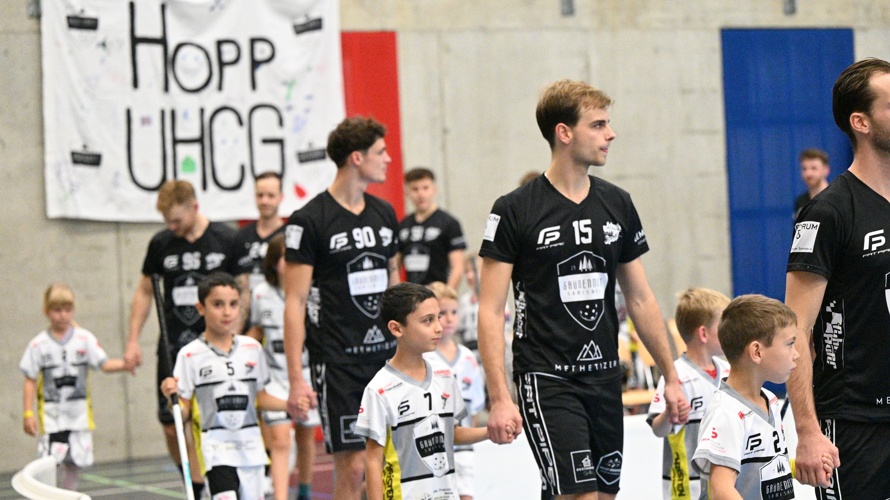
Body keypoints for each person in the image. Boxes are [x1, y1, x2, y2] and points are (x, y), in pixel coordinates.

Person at [478, 79, 687, 498]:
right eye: (598, 125)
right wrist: (500, 397)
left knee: (601, 495)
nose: (611, 134)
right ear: (564, 132)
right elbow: (490, 309)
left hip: (605, 377)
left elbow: (641, 297)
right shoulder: (514, 209)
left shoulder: (618, 203)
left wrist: (671, 376)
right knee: (581, 495)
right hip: (546, 377)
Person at [785, 58, 890, 496]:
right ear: (861, 122)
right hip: (853, 422)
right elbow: (795, 329)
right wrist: (807, 430)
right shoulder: (828, 213)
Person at [282, 116, 400, 500]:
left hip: (387, 358)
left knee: (390, 463)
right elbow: (295, 301)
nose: (388, 159)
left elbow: (394, 281)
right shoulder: (309, 220)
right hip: (337, 362)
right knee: (352, 467)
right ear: (356, 158)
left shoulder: (384, 214)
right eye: (381, 152)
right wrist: (296, 379)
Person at [124, 179, 236, 498]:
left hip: (215, 347)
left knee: (212, 418)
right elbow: (145, 291)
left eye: (176, 220)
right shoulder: (162, 244)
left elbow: (240, 291)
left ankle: (214, 484)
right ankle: (194, 483)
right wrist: (133, 339)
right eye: (167, 221)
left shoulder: (225, 239)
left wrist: (237, 337)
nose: (171, 227)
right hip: (174, 345)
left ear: (194, 207)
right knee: (172, 422)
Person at [354, 282, 489, 500]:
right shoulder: (379, 389)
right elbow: (373, 460)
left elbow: (451, 433)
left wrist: (489, 432)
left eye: (438, 317)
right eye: (428, 320)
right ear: (397, 328)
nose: (439, 327)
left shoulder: (445, 376)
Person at [160, 272, 286, 500]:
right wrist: (172, 398)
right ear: (201, 308)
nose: (227, 312)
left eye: (233, 304)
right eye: (218, 304)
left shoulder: (252, 349)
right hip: (216, 452)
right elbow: (184, 412)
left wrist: (291, 405)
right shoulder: (189, 355)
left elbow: (260, 398)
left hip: (251, 451)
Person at [691, 295, 820, 499]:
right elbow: (720, 489)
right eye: (790, 344)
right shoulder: (727, 413)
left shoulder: (770, 400)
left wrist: (796, 469)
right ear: (757, 352)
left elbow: (761, 467)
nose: (796, 354)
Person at [20, 284, 133, 490]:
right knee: (51, 463)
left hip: (78, 417)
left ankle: (69, 494)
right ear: (46, 311)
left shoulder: (84, 339)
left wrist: (125, 364)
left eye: (67, 309)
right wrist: (28, 413)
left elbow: (103, 364)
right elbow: (30, 379)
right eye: (57, 310)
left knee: (74, 463)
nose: (63, 315)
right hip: (52, 419)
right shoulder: (38, 345)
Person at [246, 234, 318, 500]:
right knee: (279, 440)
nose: (290, 261)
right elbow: (256, 330)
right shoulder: (261, 293)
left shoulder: (313, 292)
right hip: (274, 376)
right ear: (274, 262)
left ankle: (304, 491)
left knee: (305, 437)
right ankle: (280, 496)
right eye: (284, 256)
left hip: (307, 375)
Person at [648, 288, 731, 500]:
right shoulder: (675, 377)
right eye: (724, 325)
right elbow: (658, 430)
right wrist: (670, 413)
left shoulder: (729, 372)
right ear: (703, 333)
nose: (730, 332)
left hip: (724, 481)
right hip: (687, 487)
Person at [423, 281, 486, 500]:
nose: (449, 319)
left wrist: (467, 437)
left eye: (454, 312)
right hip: (432, 450)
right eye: (442, 314)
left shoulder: (468, 357)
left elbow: (475, 408)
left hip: (463, 449)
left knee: (466, 495)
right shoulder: (423, 358)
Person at [397, 167, 467, 289]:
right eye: (415, 189)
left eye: (425, 188)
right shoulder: (403, 226)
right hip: (412, 294)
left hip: (439, 292)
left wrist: (447, 294)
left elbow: (458, 267)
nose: (420, 194)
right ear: (406, 192)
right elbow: (395, 265)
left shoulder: (449, 223)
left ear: (434, 189)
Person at [793, 148, 831, 219]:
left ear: (826, 170)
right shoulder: (800, 201)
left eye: (814, 168)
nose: (808, 174)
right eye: (804, 169)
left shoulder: (837, 199)